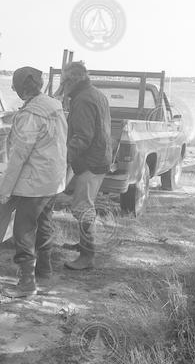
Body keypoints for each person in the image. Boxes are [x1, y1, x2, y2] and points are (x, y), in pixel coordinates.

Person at [0, 66, 67, 297]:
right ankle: (44, 273)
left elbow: (19, 155)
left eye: (15, 87)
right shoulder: (54, 105)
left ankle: (27, 283)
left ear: (21, 88)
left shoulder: (30, 115)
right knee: (44, 225)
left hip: (34, 183)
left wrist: (5, 189)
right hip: (53, 179)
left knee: (23, 230)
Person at [62, 62, 112, 270]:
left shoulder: (82, 100)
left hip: (91, 161)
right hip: (99, 157)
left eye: (64, 80)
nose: (62, 84)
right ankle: (84, 245)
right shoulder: (96, 94)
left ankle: (87, 255)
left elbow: (82, 136)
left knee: (82, 207)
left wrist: (63, 156)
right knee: (84, 205)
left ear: (72, 80)